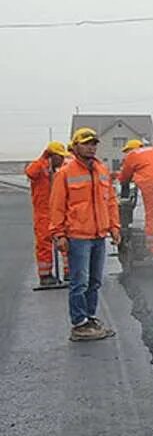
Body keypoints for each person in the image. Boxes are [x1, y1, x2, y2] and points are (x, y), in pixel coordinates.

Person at [47, 128, 119, 341]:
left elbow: (111, 201)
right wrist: (58, 234)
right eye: (87, 143)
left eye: (94, 143)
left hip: (99, 235)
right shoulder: (65, 173)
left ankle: (89, 317)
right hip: (78, 236)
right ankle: (79, 323)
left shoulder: (101, 170)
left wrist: (114, 227)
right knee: (80, 281)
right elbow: (57, 206)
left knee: (95, 280)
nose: (91, 147)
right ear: (75, 146)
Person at [23, 141, 67, 289]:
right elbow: (30, 172)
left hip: (58, 211)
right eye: (59, 157)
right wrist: (43, 159)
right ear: (51, 155)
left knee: (65, 241)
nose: (62, 160)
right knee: (44, 244)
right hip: (43, 212)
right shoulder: (39, 167)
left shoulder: (57, 171)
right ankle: (45, 275)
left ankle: (69, 272)